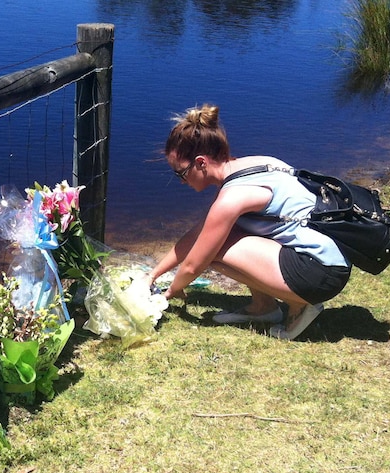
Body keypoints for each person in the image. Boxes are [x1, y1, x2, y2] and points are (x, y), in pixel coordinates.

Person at [148, 103, 351, 340]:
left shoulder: (231, 198)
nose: (181, 181)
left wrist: (169, 292)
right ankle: (263, 308)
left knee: (213, 248)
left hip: (318, 273)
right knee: (217, 236)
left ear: (201, 163)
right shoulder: (251, 165)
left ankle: (301, 305)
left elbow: (195, 263)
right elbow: (198, 233)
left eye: (180, 173)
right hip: (332, 262)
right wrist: (152, 275)